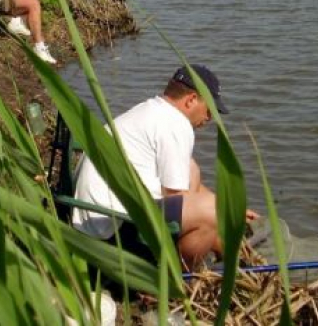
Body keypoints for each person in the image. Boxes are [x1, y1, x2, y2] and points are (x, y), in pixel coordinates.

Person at [72, 65, 257, 268]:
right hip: (111, 229)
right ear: (192, 99)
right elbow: (177, 198)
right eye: (210, 109)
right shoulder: (175, 124)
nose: (209, 118)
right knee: (211, 212)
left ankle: (230, 254)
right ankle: (174, 278)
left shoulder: (152, 110)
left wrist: (231, 208)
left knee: (191, 169)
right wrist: (222, 213)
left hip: (99, 215)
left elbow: (185, 193)